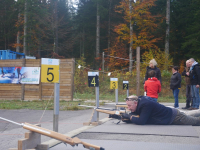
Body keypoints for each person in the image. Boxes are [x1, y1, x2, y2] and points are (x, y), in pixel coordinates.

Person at [121, 95, 200, 125]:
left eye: (129, 106)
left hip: (175, 117)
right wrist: (129, 118)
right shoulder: (140, 102)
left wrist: (130, 117)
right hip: (172, 113)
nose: (129, 108)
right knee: (193, 114)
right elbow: (139, 115)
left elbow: (142, 121)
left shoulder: (145, 105)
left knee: (196, 121)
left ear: (135, 103)